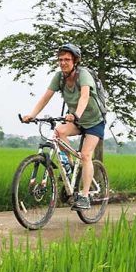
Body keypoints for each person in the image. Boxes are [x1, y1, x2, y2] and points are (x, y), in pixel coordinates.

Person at [22, 43, 105, 210]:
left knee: (86, 155)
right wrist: (33, 115)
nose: (63, 62)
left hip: (94, 121)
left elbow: (84, 97)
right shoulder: (59, 77)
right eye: (60, 59)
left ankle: (84, 196)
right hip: (76, 119)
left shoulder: (84, 75)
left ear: (75, 61)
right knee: (58, 131)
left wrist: (76, 115)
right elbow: (46, 97)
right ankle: (72, 164)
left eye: (67, 59)